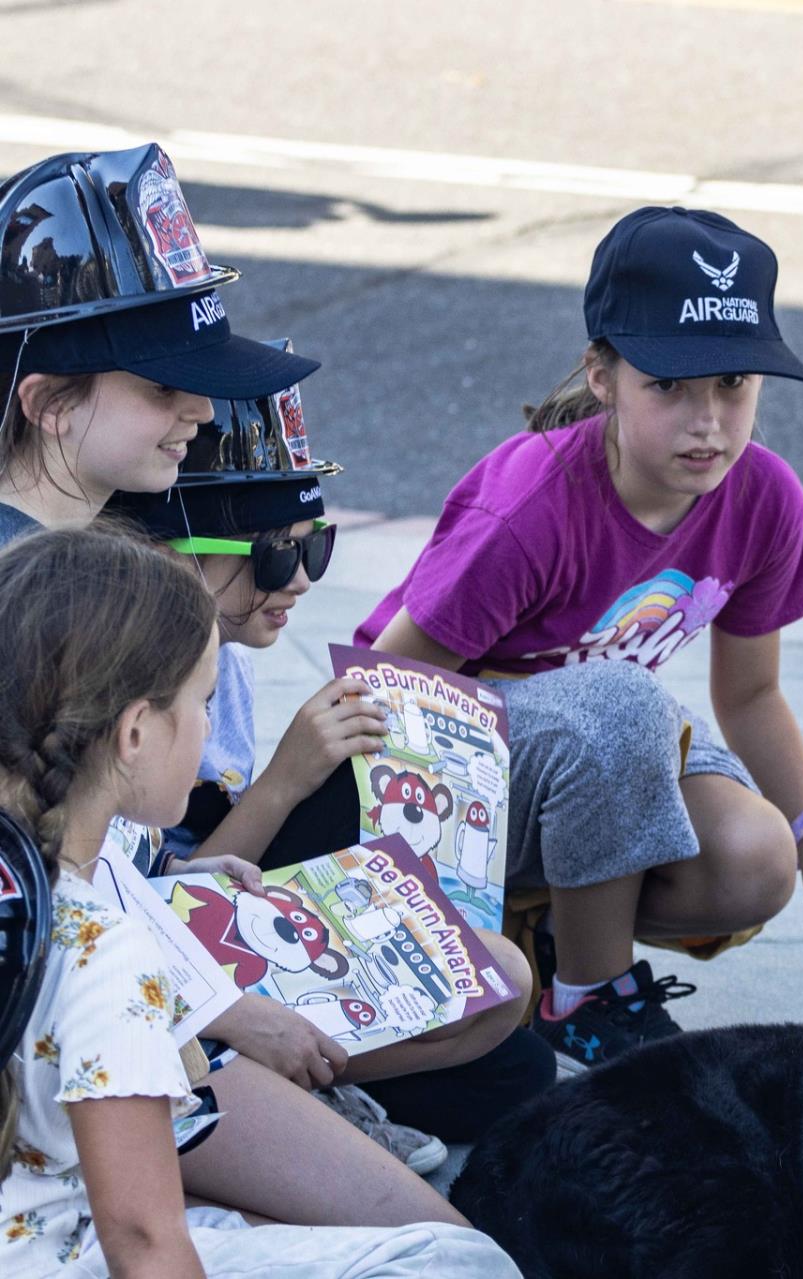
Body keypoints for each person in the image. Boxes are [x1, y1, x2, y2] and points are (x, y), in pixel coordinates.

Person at [356, 207, 803, 1072]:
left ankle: (555, 934)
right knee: (619, 700)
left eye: (734, 385)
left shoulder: (764, 496)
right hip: (449, 774)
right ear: (602, 376)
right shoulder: (529, 507)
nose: (708, 422)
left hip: (592, 758)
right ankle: (589, 999)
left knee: (759, 860)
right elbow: (391, 690)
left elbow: (750, 693)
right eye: (669, 386)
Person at [0, 526, 516, 1278]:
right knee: (463, 1259)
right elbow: (145, 1243)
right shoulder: (109, 957)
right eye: (204, 700)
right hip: (60, 1255)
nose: (212, 726)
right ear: (136, 731)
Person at [108, 388, 548, 1168]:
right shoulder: (137, 682)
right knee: (503, 1020)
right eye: (279, 555)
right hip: (163, 967)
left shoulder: (227, 661)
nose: (305, 580)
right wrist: (285, 779)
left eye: (319, 547)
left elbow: (191, 869)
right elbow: (147, 893)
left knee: (516, 1052)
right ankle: (284, 1079)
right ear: (176, 551)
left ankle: (306, 1082)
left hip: (213, 923)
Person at [0, 144, 316, 546]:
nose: (203, 411)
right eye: (163, 386)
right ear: (50, 404)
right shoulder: (38, 595)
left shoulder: (49, 570)